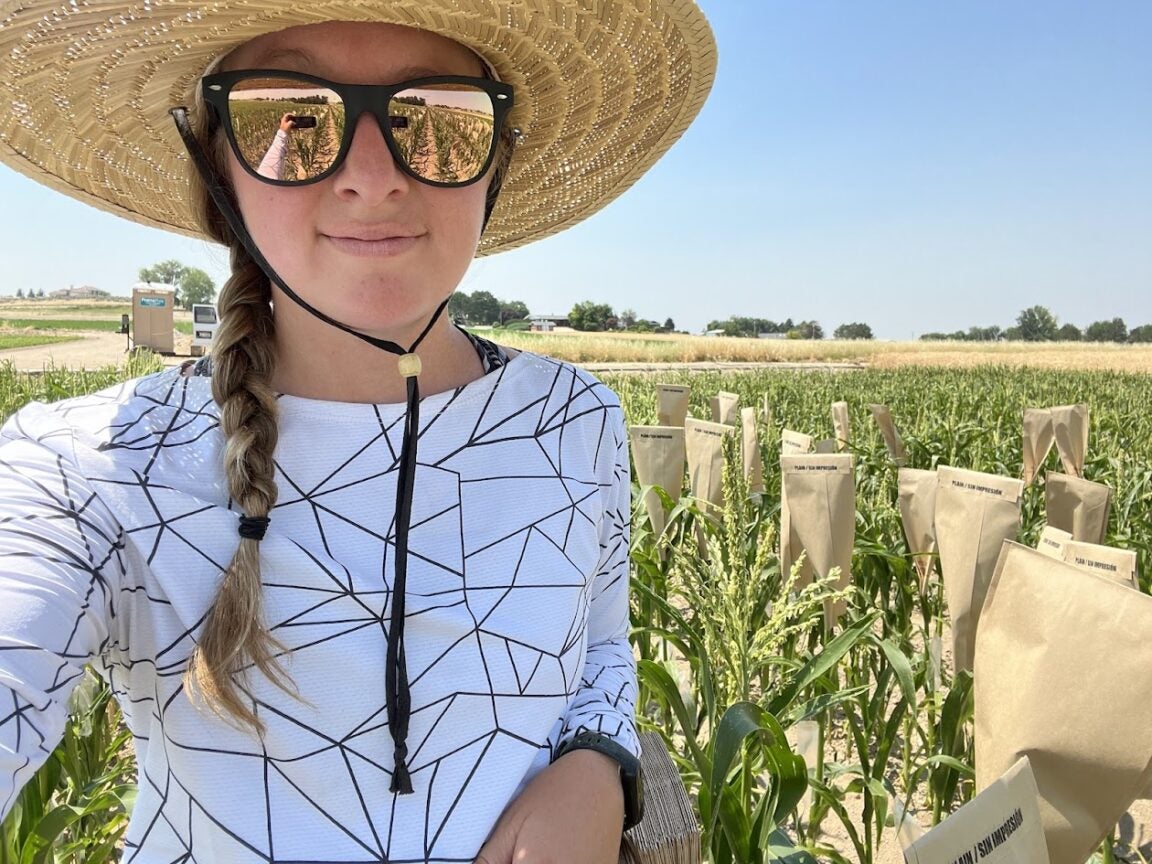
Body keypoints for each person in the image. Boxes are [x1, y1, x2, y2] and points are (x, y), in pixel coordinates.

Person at [0, 2, 715, 862]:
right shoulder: (89, 468)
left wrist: (601, 765)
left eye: (439, 121)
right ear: (216, 166)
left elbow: (602, 650)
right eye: (290, 120)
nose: (373, 178)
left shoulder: (578, 419)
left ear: (497, 163)